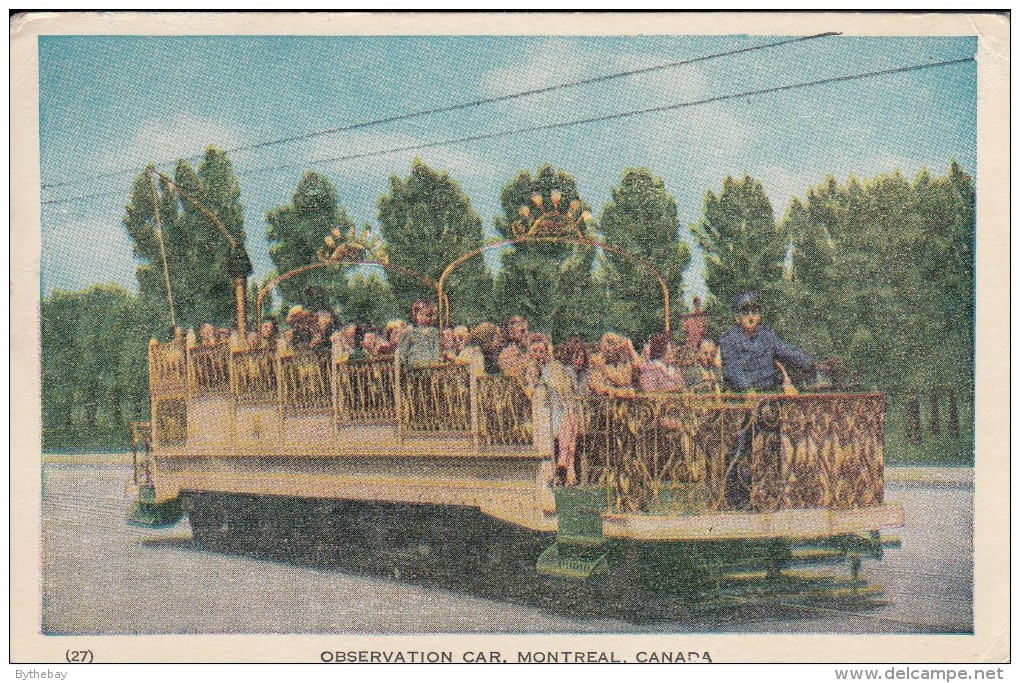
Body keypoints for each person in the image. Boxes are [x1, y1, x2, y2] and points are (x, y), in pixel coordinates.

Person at [719, 291, 814, 392]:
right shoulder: (729, 339)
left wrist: (808, 362)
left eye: (755, 312)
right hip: (744, 395)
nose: (751, 317)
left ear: (759, 317)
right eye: (745, 313)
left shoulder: (767, 335)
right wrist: (746, 388)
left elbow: (786, 350)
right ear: (738, 318)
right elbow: (732, 368)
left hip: (770, 391)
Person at [527, 334, 582, 487]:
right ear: (530, 352)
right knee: (569, 418)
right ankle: (566, 465)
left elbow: (564, 393)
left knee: (571, 415)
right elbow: (530, 394)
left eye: (541, 351)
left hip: (557, 411)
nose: (538, 355)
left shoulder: (554, 367)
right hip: (539, 411)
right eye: (535, 351)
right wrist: (535, 379)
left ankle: (565, 463)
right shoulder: (528, 369)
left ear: (547, 352)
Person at [587, 333, 640, 398]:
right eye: (606, 345)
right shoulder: (597, 361)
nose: (609, 348)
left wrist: (631, 350)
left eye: (612, 344)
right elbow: (599, 388)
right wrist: (620, 392)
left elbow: (639, 366)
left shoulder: (623, 364)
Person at [396, 300, 441, 368]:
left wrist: (435, 361)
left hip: (429, 364)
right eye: (421, 314)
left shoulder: (434, 332)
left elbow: (436, 347)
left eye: (427, 315)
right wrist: (403, 364)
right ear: (416, 315)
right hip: (414, 364)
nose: (424, 318)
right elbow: (403, 349)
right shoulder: (410, 332)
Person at [497, 315, 532, 380]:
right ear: (511, 332)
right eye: (522, 331)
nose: (526, 334)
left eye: (526, 330)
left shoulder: (529, 350)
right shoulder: (506, 354)